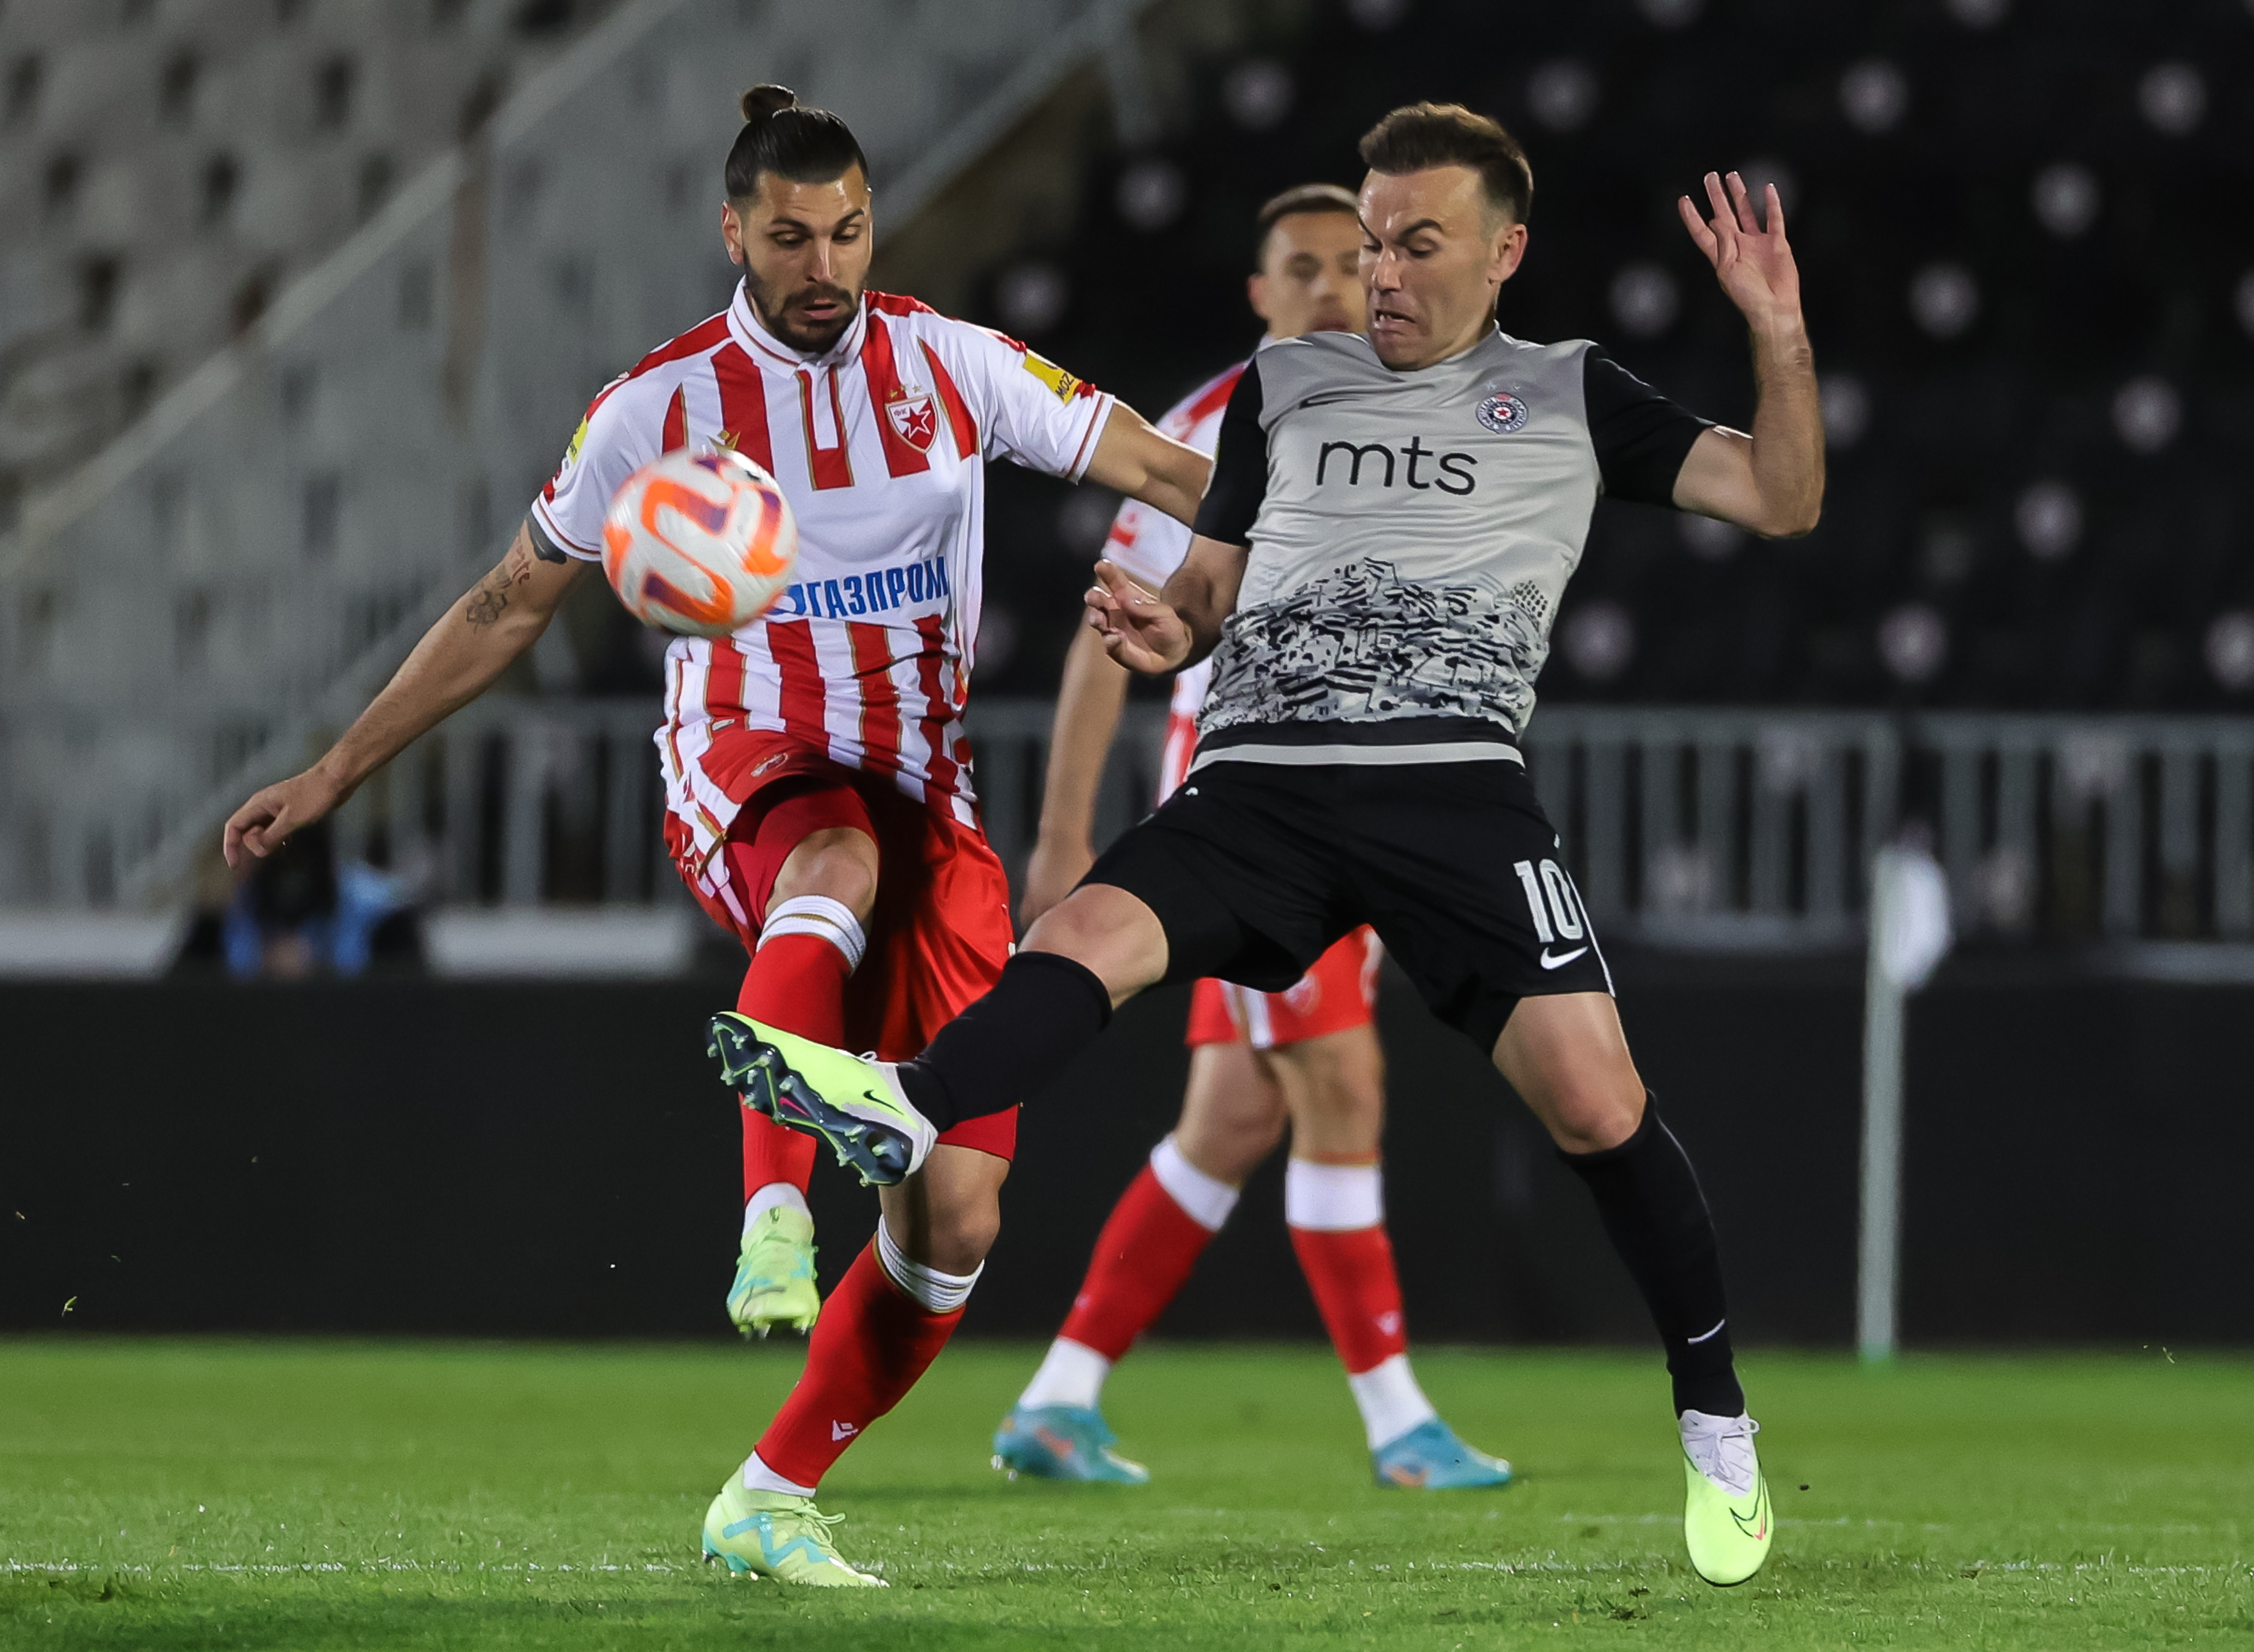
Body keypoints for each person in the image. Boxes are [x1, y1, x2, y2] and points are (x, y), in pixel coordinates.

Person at [710, 101, 1823, 1589]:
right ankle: (903, 1108)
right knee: (1077, 942)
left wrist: (1775, 330)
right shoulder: (1284, 387)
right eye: (1368, 241)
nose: (1380, 270)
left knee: (1594, 1103)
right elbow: (1213, 582)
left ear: (1505, 251)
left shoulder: (1566, 393)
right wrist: (1167, 620)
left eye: (1416, 241)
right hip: (1264, 782)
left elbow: (1779, 495)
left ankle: (1715, 1428)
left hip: (1451, 795)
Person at [221, 86, 1209, 1586]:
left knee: (957, 1212)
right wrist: (338, 769)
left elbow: (1161, 466)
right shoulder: (658, 408)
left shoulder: (951, 366)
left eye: (850, 230)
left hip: (927, 791)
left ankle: (766, 1493)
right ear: (733, 229)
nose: (827, 264)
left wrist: (1315, 543)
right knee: (832, 866)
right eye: (792, 235)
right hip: (750, 763)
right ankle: (769, 1212)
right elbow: (509, 600)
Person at [991, 183, 1506, 1492]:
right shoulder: (1217, 428)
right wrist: (1063, 839)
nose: (1337, 288)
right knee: (1342, 1087)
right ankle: (1399, 1427)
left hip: (1364, 798)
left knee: (1228, 1124)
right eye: (1306, 268)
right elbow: (1108, 637)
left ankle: (1057, 1401)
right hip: (1267, 810)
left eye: (1359, 263)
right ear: (1260, 293)